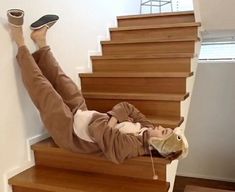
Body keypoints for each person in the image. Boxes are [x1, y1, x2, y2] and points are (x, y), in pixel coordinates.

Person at [7, 9, 188, 165]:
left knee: (44, 90)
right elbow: (126, 106)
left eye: (163, 131)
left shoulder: (130, 147)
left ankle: (19, 39)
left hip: (70, 133)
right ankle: (40, 41)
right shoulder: (146, 127)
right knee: (64, 82)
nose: (159, 125)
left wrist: (111, 121)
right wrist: (112, 122)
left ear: (159, 144)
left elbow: (97, 130)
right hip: (84, 115)